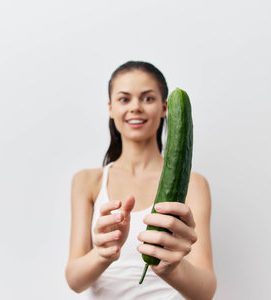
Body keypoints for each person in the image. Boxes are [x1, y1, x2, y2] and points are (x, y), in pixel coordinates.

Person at [65, 61, 217, 299]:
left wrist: (172, 268)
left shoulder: (195, 184)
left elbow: (206, 290)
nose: (135, 107)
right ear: (111, 108)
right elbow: (74, 280)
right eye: (124, 99)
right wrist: (104, 253)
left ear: (165, 107)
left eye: (147, 98)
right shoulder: (87, 181)